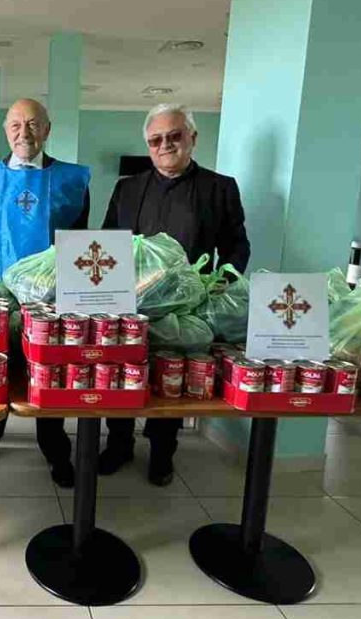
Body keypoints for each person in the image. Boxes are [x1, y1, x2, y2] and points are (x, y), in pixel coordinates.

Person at [99, 103, 250, 486]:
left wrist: (223, 280)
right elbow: (105, 240)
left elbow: (237, 245)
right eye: (155, 140)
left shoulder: (220, 187)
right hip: (128, 305)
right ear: (148, 146)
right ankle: (118, 444)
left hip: (186, 309)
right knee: (121, 375)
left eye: (174, 136)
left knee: (171, 382)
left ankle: (163, 453)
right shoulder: (127, 188)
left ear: (192, 139)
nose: (165, 145)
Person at [0, 98, 91, 488]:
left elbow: (78, 238)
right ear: (5, 130)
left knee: (49, 367)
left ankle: (54, 446)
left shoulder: (72, 180)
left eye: (33, 124)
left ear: (48, 130)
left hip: (53, 296)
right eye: (15, 125)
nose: (24, 133)